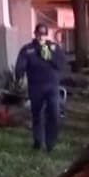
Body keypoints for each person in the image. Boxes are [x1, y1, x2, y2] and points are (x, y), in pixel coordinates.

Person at [14, 24, 66, 152]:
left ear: (47, 35)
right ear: (35, 34)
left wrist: (49, 56)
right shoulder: (28, 49)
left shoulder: (53, 48)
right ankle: (38, 141)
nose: (41, 37)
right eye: (39, 34)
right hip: (36, 87)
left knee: (53, 114)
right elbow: (21, 65)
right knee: (37, 114)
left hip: (52, 86)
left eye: (43, 34)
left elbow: (60, 64)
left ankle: (50, 144)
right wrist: (19, 76)